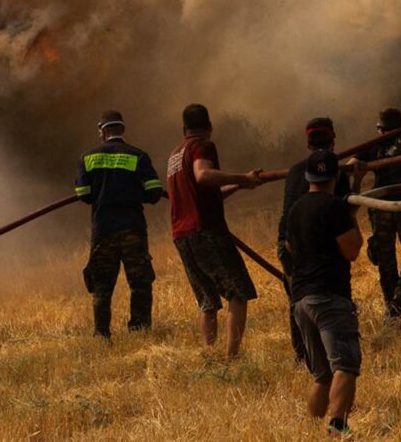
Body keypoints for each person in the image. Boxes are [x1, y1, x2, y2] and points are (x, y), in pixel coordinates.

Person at [166, 103, 263, 358]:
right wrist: (242, 177)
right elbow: (203, 176)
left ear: (183, 128)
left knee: (207, 301)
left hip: (182, 235)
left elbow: (201, 193)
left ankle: (209, 355)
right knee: (238, 292)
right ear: (209, 127)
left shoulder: (175, 154)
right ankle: (232, 357)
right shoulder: (202, 145)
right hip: (205, 231)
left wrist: (241, 186)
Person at [286, 149, 363, 436]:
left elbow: (290, 248)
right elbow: (352, 250)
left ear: (308, 177)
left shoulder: (295, 209)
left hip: (301, 299)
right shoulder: (333, 208)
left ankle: (309, 431)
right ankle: (337, 428)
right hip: (330, 297)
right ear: (335, 177)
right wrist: (351, 218)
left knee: (322, 375)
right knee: (345, 366)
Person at [75, 110, 166, 338]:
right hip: (132, 226)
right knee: (139, 281)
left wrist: (103, 192)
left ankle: (102, 334)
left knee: (102, 285)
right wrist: (133, 193)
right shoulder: (139, 156)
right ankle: (139, 329)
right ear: (122, 129)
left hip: (103, 228)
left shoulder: (88, 157)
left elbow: (83, 194)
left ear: (102, 131)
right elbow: (155, 192)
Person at [277, 117, 351, 359]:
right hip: (318, 246)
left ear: (307, 141)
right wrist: (357, 178)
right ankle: (331, 352)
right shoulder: (334, 169)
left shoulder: (295, 171)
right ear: (333, 138)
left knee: (298, 297)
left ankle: (303, 355)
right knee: (326, 295)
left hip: (288, 242)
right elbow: (343, 215)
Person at [351, 108, 401, 318]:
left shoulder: (373, 144)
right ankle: (396, 307)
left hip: (389, 206)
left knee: (390, 261)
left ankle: (394, 307)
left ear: (380, 128)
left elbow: (352, 164)